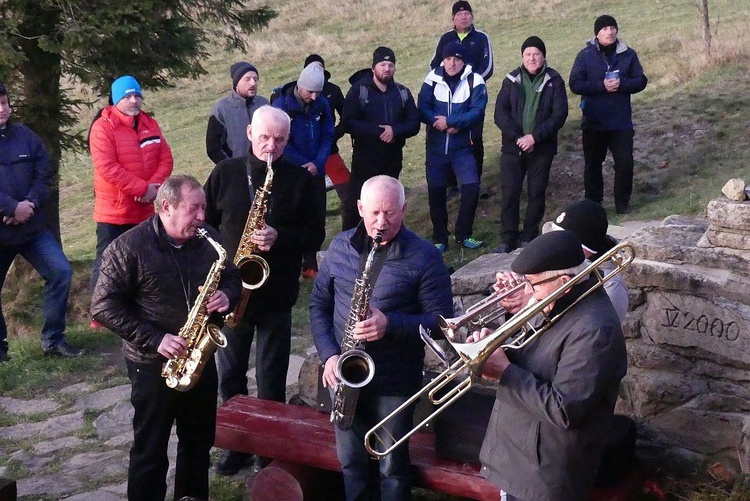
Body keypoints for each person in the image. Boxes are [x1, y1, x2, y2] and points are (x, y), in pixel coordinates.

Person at [90, 174, 243, 501]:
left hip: (199, 359)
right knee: (151, 448)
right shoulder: (128, 247)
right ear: (165, 207)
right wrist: (155, 338)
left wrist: (228, 295)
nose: (203, 216)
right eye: (194, 209)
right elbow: (102, 305)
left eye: (203, 207)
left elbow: (231, 275)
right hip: (152, 363)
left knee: (199, 444)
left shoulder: (207, 238)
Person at [310, 175, 453, 501]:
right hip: (345, 377)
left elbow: (441, 323)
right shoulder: (339, 247)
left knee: (392, 469)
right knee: (351, 464)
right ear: (360, 208)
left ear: (403, 209)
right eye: (374, 213)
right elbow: (318, 305)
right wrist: (330, 355)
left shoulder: (425, 257)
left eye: (390, 213)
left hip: (394, 381)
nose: (381, 222)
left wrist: (391, 324)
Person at [204, 105, 325, 475]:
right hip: (232, 291)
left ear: (288, 140)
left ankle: (269, 450)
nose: (271, 146)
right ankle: (238, 444)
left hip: (276, 292)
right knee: (231, 374)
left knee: (272, 376)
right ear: (250, 135)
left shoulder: (300, 180)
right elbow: (204, 226)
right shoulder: (225, 173)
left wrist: (280, 236)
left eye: (279, 139)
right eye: (264, 137)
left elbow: (315, 233)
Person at [475, 230, 627, 501]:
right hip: (519, 462)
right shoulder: (555, 302)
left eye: (532, 284)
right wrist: (494, 346)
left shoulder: (595, 329)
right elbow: (534, 358)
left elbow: (565, 409)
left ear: (565, 282)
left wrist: (505, 372)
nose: (526, 291)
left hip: (544, 476)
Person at [0, 82, 81, 361]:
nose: (2, 109)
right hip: (1, 230)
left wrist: (29, 205)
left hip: (31, 228)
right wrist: (11, 208)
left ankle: (53, 340)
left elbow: (44, 175)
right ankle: (1, 351)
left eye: (5, 102)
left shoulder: (26, 137)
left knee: (60, 272)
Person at [88, 75, 174, 327]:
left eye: (137, 95)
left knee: (145, 258)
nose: (134, 100)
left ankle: (143, 306)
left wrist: (153, 188)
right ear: (116, 99)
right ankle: (99, 314)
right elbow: (107, 167)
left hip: (145, 208)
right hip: (113, 210)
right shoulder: (103, 127)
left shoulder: (150, 123)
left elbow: (165, 157)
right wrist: (140, 188)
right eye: (127, 96)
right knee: (106, 260)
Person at [492, 36, 568, 254]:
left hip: (541, 148)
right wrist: (518, 138)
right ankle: (508, 239)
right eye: (528, 54)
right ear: (522, 57)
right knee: (510, 193)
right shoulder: (511, 79)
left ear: (543, 56)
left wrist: (534, 137)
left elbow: (559, 114)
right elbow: (500, 113)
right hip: (512, 148)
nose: (532, 58)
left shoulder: (555, 80)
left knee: (536, 192)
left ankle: (529, 236)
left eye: (536, 54)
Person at [569, 15, 648, 215]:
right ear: (597, 33)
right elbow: (575, 84)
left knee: (625, 163)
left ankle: (623, 204)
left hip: (621, 121)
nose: (610, 32)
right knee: (593, 165)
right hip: (594, 121)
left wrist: (622, 84)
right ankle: (593, 206)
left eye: (612, 27)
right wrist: (600, 86)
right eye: (605, 28)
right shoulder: (585, 55)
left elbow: (641, 80)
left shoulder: (628, 54)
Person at [340, 46, 420, 230]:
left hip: (392, 159)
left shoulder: (402, 92)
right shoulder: (359, 91)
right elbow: (348, 122)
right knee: (357, 204)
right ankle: (350, 244)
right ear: (374, 67)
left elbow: (414, 123)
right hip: (364, 159)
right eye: (383, 64)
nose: (387, 68)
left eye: (391, 65)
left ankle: (387, 240)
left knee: (389, 203)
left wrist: (395, 131)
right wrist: (377, 131)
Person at [418, 41, 488, 251]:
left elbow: (477, 111)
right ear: (443, 60)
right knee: (436, 193)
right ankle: (440, 238)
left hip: (462, 147)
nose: (452, 63)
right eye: (448, 59)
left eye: (457, 59)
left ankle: (464, 234)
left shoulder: (475, 80)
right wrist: (438, 123)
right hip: (436, 148)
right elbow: (422, 108)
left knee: (471, 187)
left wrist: (451, 122)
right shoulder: (432, 78)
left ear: (463, 61)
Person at [272, 62, 334, 279]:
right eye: (311, 92)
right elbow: (281, 143)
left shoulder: (322, 104)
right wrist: (303, 164)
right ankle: (292, 262)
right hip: (293, 172)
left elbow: (328, 134)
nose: (314, 97)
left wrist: (317, 162)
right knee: (293, 216)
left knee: (317, 216)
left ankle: (312, 263)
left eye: (318, 92)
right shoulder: (282, 106)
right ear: (300, 86)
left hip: (316, 171)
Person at [430, 0, 493, 185]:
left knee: (474, 137)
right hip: (448, 97)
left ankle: (475, 179)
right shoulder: (445, 38)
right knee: (449, 135)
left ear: (472, 16)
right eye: (459, 14)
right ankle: (451, 183)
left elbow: (487, 67)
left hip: (473, 96)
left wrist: (470, 84)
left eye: (467, 13)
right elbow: (434, 65)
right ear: (453, 18)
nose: (463, 17)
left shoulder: (481, 38)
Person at [547, 199, 628, 321]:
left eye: (565, 239)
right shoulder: (566, 261)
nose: (557, 244)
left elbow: (600, 332)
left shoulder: (611, 286)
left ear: (585, 244)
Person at [303, 54, 352, 233]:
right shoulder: (297, 94)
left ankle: (348, 233)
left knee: (348, 194)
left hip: (330, 152)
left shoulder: (333, 90)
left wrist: (334, 135)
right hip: (305, 157)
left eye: (320, 67)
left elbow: (347, 117)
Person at [206, 61, 269, 164]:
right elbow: (213, 148)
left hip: (265, 167)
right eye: (247, 79)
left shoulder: (264, 104)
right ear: (237, 83)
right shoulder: (221, 109)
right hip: (237, 172)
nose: (253, 83)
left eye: (255, 79)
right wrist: (232, 168)